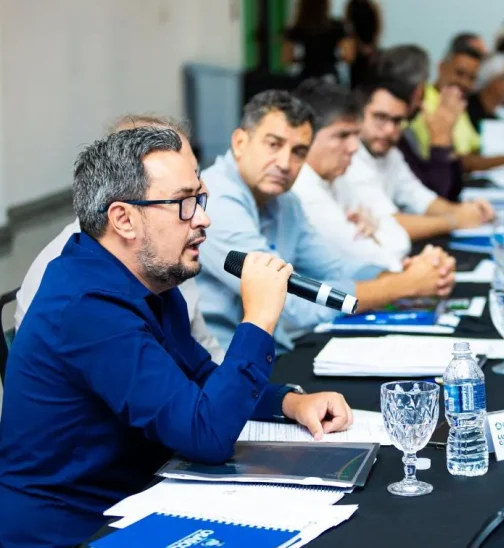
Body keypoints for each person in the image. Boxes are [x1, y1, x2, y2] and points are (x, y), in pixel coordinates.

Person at [0, 126, 353, 547]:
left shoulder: (148, 279)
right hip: (75, 529)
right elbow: (206, 435)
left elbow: (199, 377)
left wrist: (288, 403)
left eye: (200, 200)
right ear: (124, 219)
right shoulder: (87, 307)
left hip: (139, 499)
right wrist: (258, 318)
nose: (203, 218)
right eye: (184, 203)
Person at [197, 89, 455, 352]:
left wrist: (412, 276)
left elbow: (336, 268)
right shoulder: (215, 200)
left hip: (273, 351)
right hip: (221, 363)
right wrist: (404, 285)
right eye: (273, 144)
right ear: (240, 143)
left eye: (299, 152)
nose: (285, 163)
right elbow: (286, 302)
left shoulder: (286, 201)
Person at [13, 115, 223, 362]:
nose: (204, 191)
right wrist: (256, 320)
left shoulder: (160, 259)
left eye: (196, 175)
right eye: (183, 190)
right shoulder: (82, 294)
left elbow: (201, 358)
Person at [332, 75, 495, 244]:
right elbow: (387, 225)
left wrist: (468, 211)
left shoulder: (391, 153)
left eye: (397, 121)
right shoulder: (349, 157)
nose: (389, 130)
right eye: (380, 117)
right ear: (357, 117)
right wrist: (454, 221)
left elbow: (422, 199)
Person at [292, 78, 410, 271]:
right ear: (306, 136)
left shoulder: (338, 177)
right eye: (343, 135)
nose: (354, 147)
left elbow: (401, 240)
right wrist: (375, 232)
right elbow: (374, 261)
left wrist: (375, 231)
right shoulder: (301, 187)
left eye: (356, 135)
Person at [407, 43, 504, 190]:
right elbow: (461, 162)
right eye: (459, 73)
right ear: (441, 67)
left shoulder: (458, 103)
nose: (464, 82)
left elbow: (476, 150)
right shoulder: (423, 102)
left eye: (471, 78)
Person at [282, 0, 355, 82]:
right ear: (326, 1)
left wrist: (302, 59)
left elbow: (286, 58)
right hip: (329, 75)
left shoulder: (298, 27)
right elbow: (349, 56)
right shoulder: (337, 26)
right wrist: (334, 58)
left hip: (307, 76)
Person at [345, 0, 382, 88]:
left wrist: (372, 45)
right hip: (357, 48)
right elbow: (349, 28)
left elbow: (379, 26)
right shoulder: (350, 6)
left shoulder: (373, 5)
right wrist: (359, 46)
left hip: (371, 46)